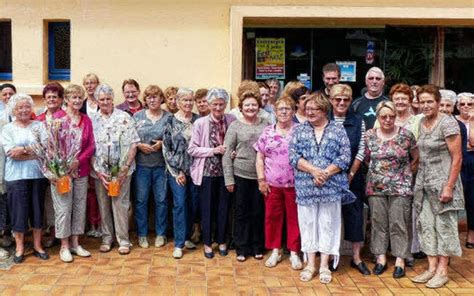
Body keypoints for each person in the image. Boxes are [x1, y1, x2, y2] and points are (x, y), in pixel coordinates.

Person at [289, 93, 355, 284]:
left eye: (314, 109)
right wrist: (313, 171)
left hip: (330, 186)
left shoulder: (337, 129)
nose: (309, 112)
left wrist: (325, 173)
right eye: (307, 109)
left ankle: (325, 265)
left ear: (324, 110)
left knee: (328, 224)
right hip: (306, 185)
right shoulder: (299, 130)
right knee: (308, 224)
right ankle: (310, 264)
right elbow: (293, 156)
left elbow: (344, 157)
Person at [411, 85, 464, 289]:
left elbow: (457, 158)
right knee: (426, 225)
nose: (425, 105)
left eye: (429, 101)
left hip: (443, 183)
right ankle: (431, 267)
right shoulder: (422, 122)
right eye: (422, 101)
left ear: (438, 102)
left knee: (444, 227)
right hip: (423, 183)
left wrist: (449, 187)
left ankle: (443, 271)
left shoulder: (448, 123)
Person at [365, 101, 419, 278]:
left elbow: (416, 158)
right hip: (376, 186)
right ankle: (380, 257)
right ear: (378, 118)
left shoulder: (406, 135)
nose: (388, 120)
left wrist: (403, 175)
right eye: (383, 116)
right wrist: (379, 173)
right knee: (378, 221)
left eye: (391, 116)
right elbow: (366, 158)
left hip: (400, 187)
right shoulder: (370, 136)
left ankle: (400, 259)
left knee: (399, 222)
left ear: (396, 117)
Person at [90, 84, 139, 255]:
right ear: (97, 100)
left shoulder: (124, 117)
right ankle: (107, 238)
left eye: (108, 99)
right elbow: (89, 148)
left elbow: (134, 143)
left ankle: (123, 240)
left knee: (120, 205)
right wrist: (98, 171)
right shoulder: (92, 120)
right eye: (101, 99)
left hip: (122, 172)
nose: (105, 102)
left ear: (113, 99)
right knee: (104, 205)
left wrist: (124, 168)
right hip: (100, 172)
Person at [49, 84, 95, 262]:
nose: (76, 101)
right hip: (62, 174)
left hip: (81, 170)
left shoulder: (86, 120)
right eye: (73, 97)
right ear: (66, 100)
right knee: (63, 208)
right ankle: (64, 246)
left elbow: (91, 145)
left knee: (79, 206)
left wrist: (79, 161)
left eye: (79, 97)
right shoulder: (57, 118)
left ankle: (76, 243)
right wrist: (63, 166)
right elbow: (51, 147)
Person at [1, 93, 49, 263]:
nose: (24, 110)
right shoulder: (7, 129)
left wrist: (22, 150)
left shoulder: (39, 126)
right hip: (15, 177)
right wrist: (32, 151)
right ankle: (20, 248)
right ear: (14, 109)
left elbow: (44, 150)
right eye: (20, 107)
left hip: (37, 175)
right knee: (18, 213)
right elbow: (11, 154)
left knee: (37, 211)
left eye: (27, 106)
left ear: (31, 108)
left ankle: (37, 245)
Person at [188, 88, 236, 258]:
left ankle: (222, 240)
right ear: (208, 104)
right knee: (207, 209)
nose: (218, 108)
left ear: (226, 105)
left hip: (226, 173)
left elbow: (235, 143)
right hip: (206, 172)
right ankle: (208, 243)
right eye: (214, 104)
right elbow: (192, 149)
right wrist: (213, 150)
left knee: (223, 208)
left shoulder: (231, 119)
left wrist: (233, 152)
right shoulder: (200, 123)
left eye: (221, 104)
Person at [255, 97, 302, 270]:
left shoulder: (300, 131)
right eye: (280, 109)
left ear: (294, 111)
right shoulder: (267, 131)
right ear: (275, 112)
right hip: (272, 184)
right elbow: (260, 157)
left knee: (294, 218)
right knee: (272, 218)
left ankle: (294, 252)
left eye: (287, 108)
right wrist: (261, 179)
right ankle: (276, 250)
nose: (284, 112)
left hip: (295, 185)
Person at [223, 84, 268, 262]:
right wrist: (228, 179)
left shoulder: (266, 125)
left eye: (254, 105)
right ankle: (241, 247)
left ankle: (257, 246)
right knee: (241, 212)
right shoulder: (234, 126)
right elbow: (227, 153)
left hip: (261, 177)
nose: (250, 108)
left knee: (258, 212)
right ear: (241, 107)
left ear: (259, 107)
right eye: (247, 105)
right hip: (240, 175)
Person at [328, 84, 369, 275]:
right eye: (338, 99)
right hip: (328, 177)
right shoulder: (324, 119)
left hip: (353, 177)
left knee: (354, 216)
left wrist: (350, 174)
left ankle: (356, 257)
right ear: (330, 99)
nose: (341, 102)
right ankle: (329, 256)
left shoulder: (358, 120)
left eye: (346, 99)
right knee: (329, 217)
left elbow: (361, 149)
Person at [162, 88, 200, 259]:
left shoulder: (198, 120)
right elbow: (166, 147)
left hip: (195, 170)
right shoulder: (170, 121)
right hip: (176, 172)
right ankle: (178, 243)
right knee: (179, 204)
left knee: (193, 204)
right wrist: (177, 172)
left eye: (190, 100)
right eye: (184, 100)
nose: (188, 103)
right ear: (177, 102)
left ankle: (186, 237)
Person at [133, 85, 171, 249]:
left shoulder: (169, 117)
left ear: (161, 99)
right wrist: (139, 145)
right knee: (141, 201)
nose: (152, 99)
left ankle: (161, 234)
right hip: (142, 166)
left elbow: (175, 139)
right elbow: (130, 137)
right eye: (149, 97)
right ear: (145, 100)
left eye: (155, 96)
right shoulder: (137, 116)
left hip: (161, 167)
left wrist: (162, 144)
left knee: (161, 201)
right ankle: (142, 235)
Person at [36, 82, 65, 248]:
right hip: (41, 168)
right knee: (47, 202)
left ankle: (58, 235)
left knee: (59, 202)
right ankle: (50, 230)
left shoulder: (65, 118)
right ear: (44, 99)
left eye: (55, 97)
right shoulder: (38, 119)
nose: (52, 100)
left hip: (60, 168)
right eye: (49, 97)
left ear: (61, 100)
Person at [81, 73, 101, 239]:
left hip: (101, 151)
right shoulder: (81, 105)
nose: (90, 86)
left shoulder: (104, 102)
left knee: (101, 189)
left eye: (93, 83)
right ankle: (91, 224)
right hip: (85, 151)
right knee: (88, 190)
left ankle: (101, 224)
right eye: (87, 83)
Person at [455, 92, 474, 248]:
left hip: (472, 160)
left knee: (472, 199)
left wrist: (472, 121)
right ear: (457, 106)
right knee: (455, 198)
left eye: (470, 104)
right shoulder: (453, 121)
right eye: (462, 104)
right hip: (458, 160)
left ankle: (471, 234)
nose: (466, 107)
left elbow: (473, 142)